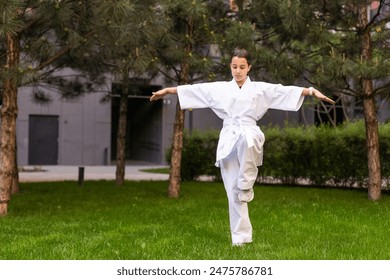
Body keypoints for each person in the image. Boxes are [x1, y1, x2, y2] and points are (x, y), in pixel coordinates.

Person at [150, 48, 335, 246]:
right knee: (233, 193)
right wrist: (168, 90)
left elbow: (282, 90)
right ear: (230, 66)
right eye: (234, 67)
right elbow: (198, 89)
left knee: (247, 140)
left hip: (249, 132)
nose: (237, 71)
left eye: (242, 67)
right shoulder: (221, 88)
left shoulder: (259, 89)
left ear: (249, 68)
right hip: (229, 137)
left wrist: (311, 91)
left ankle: (246, 183)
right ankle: (240, 239)